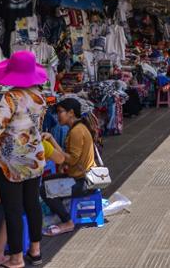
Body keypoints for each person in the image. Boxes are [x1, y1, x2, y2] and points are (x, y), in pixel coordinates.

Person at [0, 51, 48, 267]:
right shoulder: (40, 96)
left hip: (11, 162)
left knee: (13, 209)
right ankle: (36, 250)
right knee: (32, 204)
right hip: (35, 157)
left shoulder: (11, 97)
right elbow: (36, 127)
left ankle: (16, 258)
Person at [41, 98, 100, 237]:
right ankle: (61, 212)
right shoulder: (78, 128)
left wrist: (51, 143)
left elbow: (72, 160)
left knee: (45, 189)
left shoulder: (76, 132)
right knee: (47, 180)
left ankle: (67, 221)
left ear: (71, 113)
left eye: (61, 112)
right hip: (81, 178)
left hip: (83, 182)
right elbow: (69, 158)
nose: (58, 115)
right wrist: (51, 139)